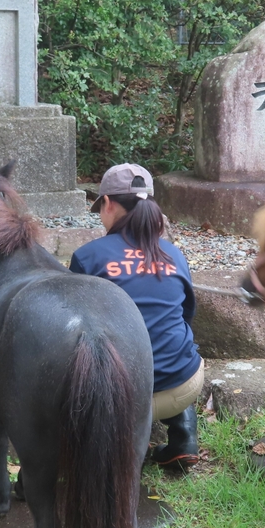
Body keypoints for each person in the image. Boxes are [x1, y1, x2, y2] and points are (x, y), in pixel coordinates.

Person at [70, 163, 203, 471]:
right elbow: (186, 316)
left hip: (119, 398)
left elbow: (73, 333)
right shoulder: (175, 254)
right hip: (183, 387)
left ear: (107, 203)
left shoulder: (88, 257)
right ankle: (184, 437)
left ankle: (117, 448)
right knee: (173, 342)